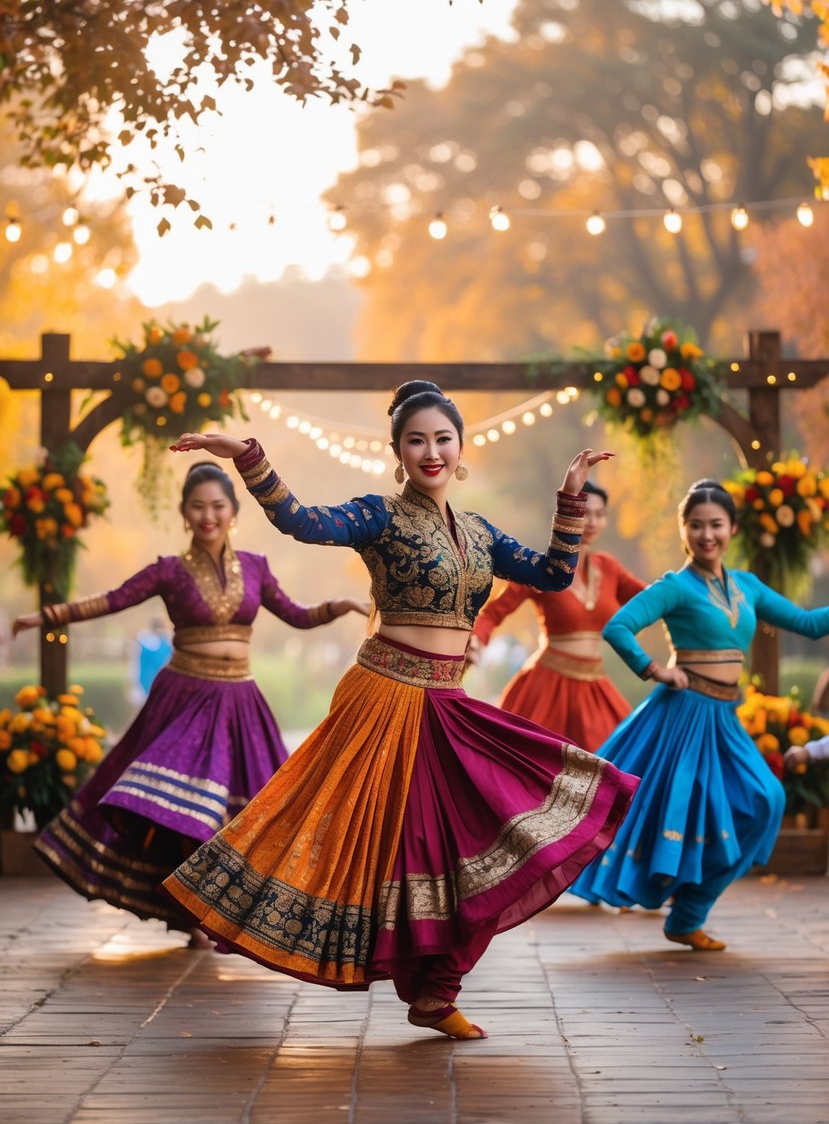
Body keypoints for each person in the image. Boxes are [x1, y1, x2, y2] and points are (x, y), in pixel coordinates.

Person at [162, 381, 638, 1040]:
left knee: (478, 840)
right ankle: (428, 987)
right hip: (384, 699)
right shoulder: (378, 515)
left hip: (446, 703)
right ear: (398, 451)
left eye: (442, 438)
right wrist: (250, 457)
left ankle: (435, 991)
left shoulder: (478, 531)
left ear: (460, 448)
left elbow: (552, 574)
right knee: (396, 845)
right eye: (416, 439)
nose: (431, 450)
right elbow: (301, 521)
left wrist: (569, 497)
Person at [12, 460, 369, 940]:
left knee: (240, 816)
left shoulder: (256, 568)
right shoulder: (169, 570)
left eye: (217, 506)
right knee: (183, 808)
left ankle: (211, 913)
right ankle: (191, 911)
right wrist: (47, 617)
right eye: (197, 506)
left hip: (239, 700)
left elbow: (297, 617)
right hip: (185, 697)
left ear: (233, 512)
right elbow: (114, 599)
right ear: (184, 514)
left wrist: (342, 605)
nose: (208, 515)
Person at [572, 478, 829, 951]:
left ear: (732, 528)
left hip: (725, 720)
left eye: (716, 525)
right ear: (683, 529)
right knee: (684, 814)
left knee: (767, 800)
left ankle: (689, 910)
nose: (706, 535)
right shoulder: (675, 587)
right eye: (695, 525)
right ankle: (686, 915)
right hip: (682, 719)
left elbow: (811, 625)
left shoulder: (747, 586)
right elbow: (618, 626)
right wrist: (654, 669)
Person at [470, 480, 646, 750]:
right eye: (586, 513)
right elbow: (495, 611)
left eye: (600, 515)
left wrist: (688, 597)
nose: (593, 521)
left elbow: (653, 600)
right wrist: (478, 638)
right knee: (537, 768)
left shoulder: (608, 567)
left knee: (618, 763)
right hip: (547, 687)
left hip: (595, 686)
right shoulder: (542, 568)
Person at [130, 615, 173, 705]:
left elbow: (134, 665)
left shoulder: (142, 643)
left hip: (143, 682)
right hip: (161, 684)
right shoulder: (168, 645)